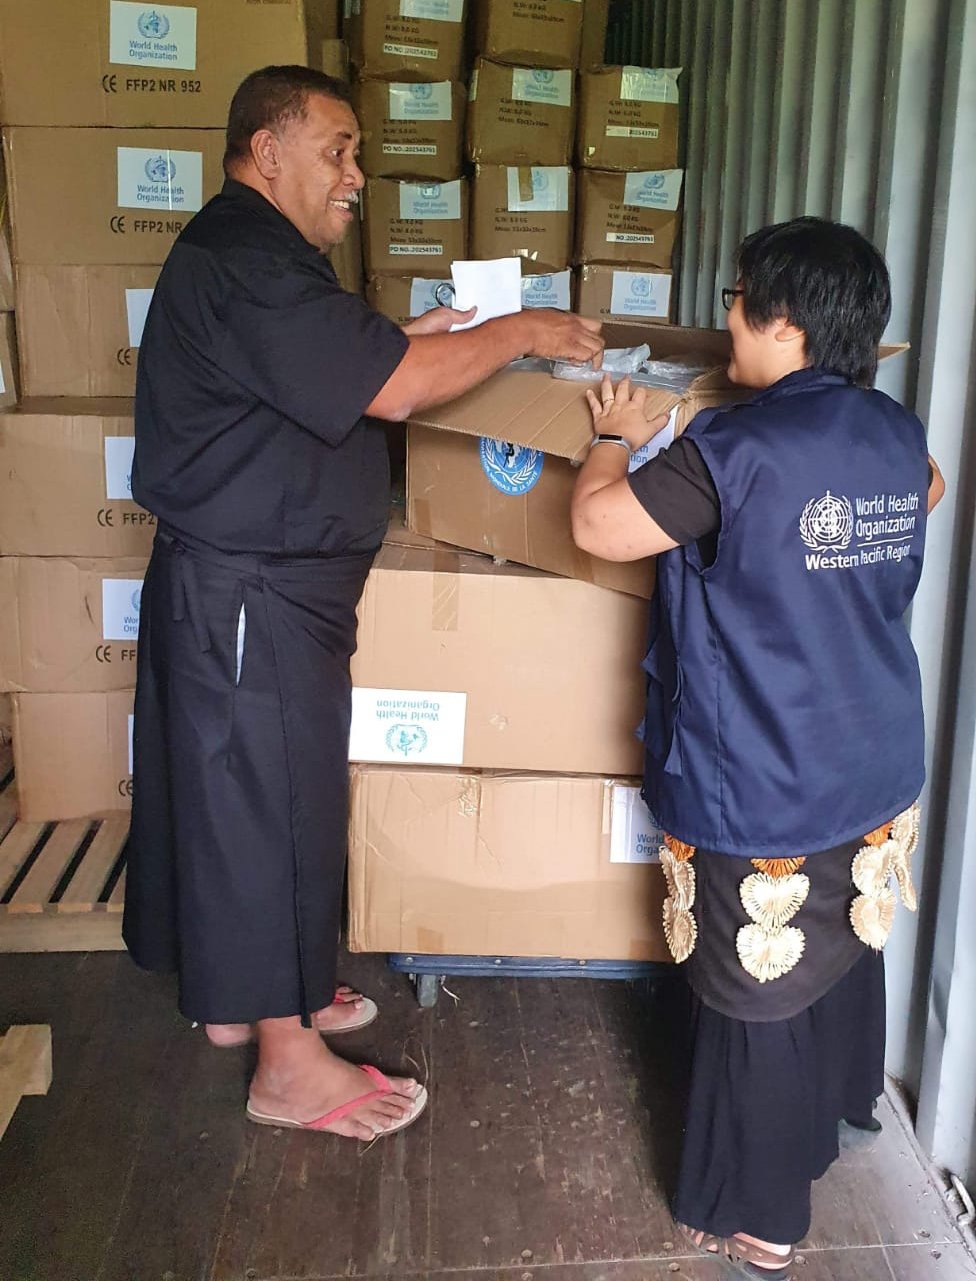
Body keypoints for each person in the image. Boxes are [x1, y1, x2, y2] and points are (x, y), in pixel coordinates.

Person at [123, 65, 603, 1143]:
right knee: (269, 811)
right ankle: (288, 1063)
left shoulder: (258, 256)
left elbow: (342, 366)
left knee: (239, 801)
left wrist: (414, 337)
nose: (356, 175)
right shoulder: (249, 260)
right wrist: (519, 331)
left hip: (251, 583)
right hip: (253, 590)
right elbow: (391, 388)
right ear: (267, 151)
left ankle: (246, 999)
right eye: (337, 150)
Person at [571, 217, 944, 1277]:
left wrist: (614, 435)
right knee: (846, 936)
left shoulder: (733, 453)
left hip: (767, 775)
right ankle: (843, 1105)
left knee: (757, 981)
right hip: (872, 752)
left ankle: (764, 1211)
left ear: (785, 323)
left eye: (736, 300)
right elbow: (929, 489)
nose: (728, 318)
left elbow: (598, 527)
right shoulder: (892, 428)